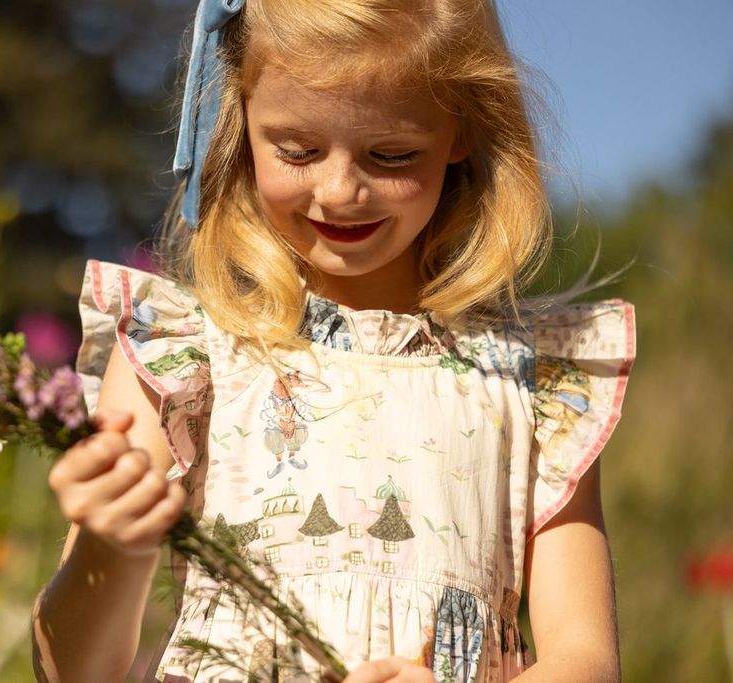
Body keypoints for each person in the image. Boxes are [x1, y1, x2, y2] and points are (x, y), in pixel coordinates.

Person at [31, 1, 635, 681]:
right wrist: (110, 545)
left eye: (391, 154)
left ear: (461, 128)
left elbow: (585, 658)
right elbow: (71, 670)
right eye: (298, 149)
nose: (341, 189)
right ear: (242, 115)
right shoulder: (184, 354)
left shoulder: (532, 381)